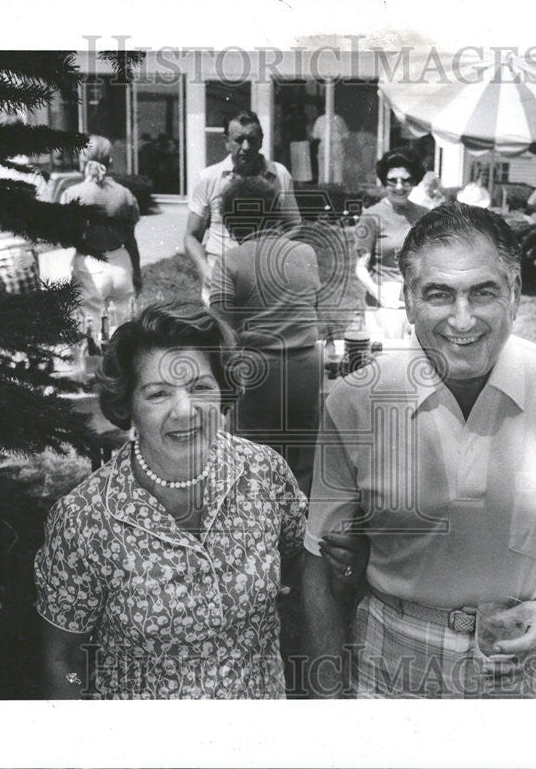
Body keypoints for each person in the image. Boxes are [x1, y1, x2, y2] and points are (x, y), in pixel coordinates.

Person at [302, 202, 536, 698]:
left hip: (530, 656)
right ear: (408, 301)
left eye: (484, 292)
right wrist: (327, 701)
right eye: (439, 294)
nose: (464, 320)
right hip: (392, 658)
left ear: (516, 295)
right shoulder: (355, 402)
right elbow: (320, 564)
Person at [35, 301, 308, 699]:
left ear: (223, 392)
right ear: (127, 405)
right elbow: (63, 660)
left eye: (200, 387)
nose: (185, 411)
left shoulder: (264, 473)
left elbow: (301, 568)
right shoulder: (84, 519)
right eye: (158, 394)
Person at [208, 177, 322, 495]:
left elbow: (219, 330)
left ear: (231, 221)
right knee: (300, 459)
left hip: (257, 369)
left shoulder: (230, 260)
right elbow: (312, 307)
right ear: (274, 213)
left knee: (251, 460)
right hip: (306, 366)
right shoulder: (305, 252)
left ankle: (256, 529)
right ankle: (299, 530)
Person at [185, 110, 300, 302]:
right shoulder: (209, 178)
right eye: (239, 140)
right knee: (222, 331)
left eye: (252, 139)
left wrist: (272, 254)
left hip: (266, 278)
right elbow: (191, 236)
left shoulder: (279, 175)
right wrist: (205, 270)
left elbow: (295, 225)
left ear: (262, 140)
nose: (246, 147)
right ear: (227, 141)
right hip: (221, 275)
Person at [59, 135, 141, 331]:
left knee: (91, 329)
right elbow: (131, 239)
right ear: (110, 161)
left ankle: (95, 360)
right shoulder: (125, 194)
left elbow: (64, 240)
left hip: (90, 264)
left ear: (82, 161)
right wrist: (137, 272)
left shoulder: (73, 194)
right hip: (121, 263)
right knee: (126, 327)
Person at [353, 148, 428, 339]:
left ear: (415, 181)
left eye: (406, 180)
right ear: (384, 181)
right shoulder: (372, 216)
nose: (399, 187)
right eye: (393, 180)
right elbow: (360, 267)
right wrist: (380, 295)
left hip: (416, 300)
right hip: (383, 304)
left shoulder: (424, 215)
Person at [311, 110, 349, 184]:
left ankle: (323, 189)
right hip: (337, 144)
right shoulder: (339, 119)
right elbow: (345, 135)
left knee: (323, 169)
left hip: (324, 144)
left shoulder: (320, 119)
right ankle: (337, 190)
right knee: (338, 169)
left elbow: (315, 136)